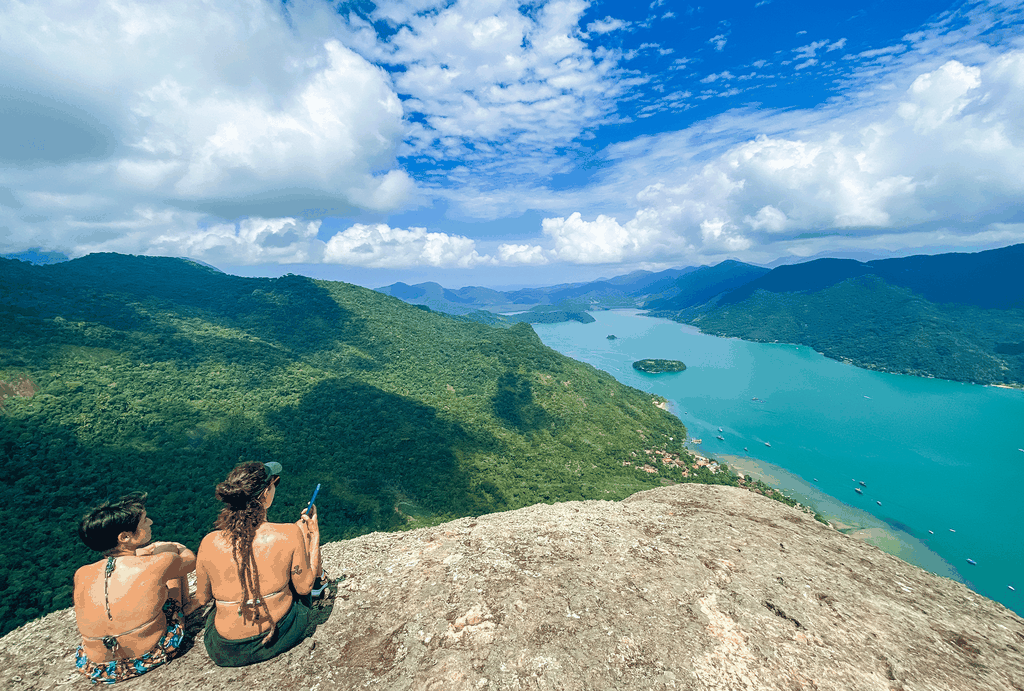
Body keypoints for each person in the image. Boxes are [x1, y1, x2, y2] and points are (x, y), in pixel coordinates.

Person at [191, 461, 322, 667]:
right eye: (273, 485)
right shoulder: (289, 534)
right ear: (264, 495)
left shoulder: (209, 542)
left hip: (225, 649)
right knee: (299, 589)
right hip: (279, 636)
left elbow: (202, 597)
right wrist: (313, 536)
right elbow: (305, 587)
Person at [73, 492, 196, 684]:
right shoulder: (159, 562)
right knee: (171, 568)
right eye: (144, 521)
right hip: (147, 655)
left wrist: (139, 553)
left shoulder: (81, 573)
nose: (151, 522)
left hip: (97, 666)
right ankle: (186, 608)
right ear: (125, 537)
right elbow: (190, 561)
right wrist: (172, 547)